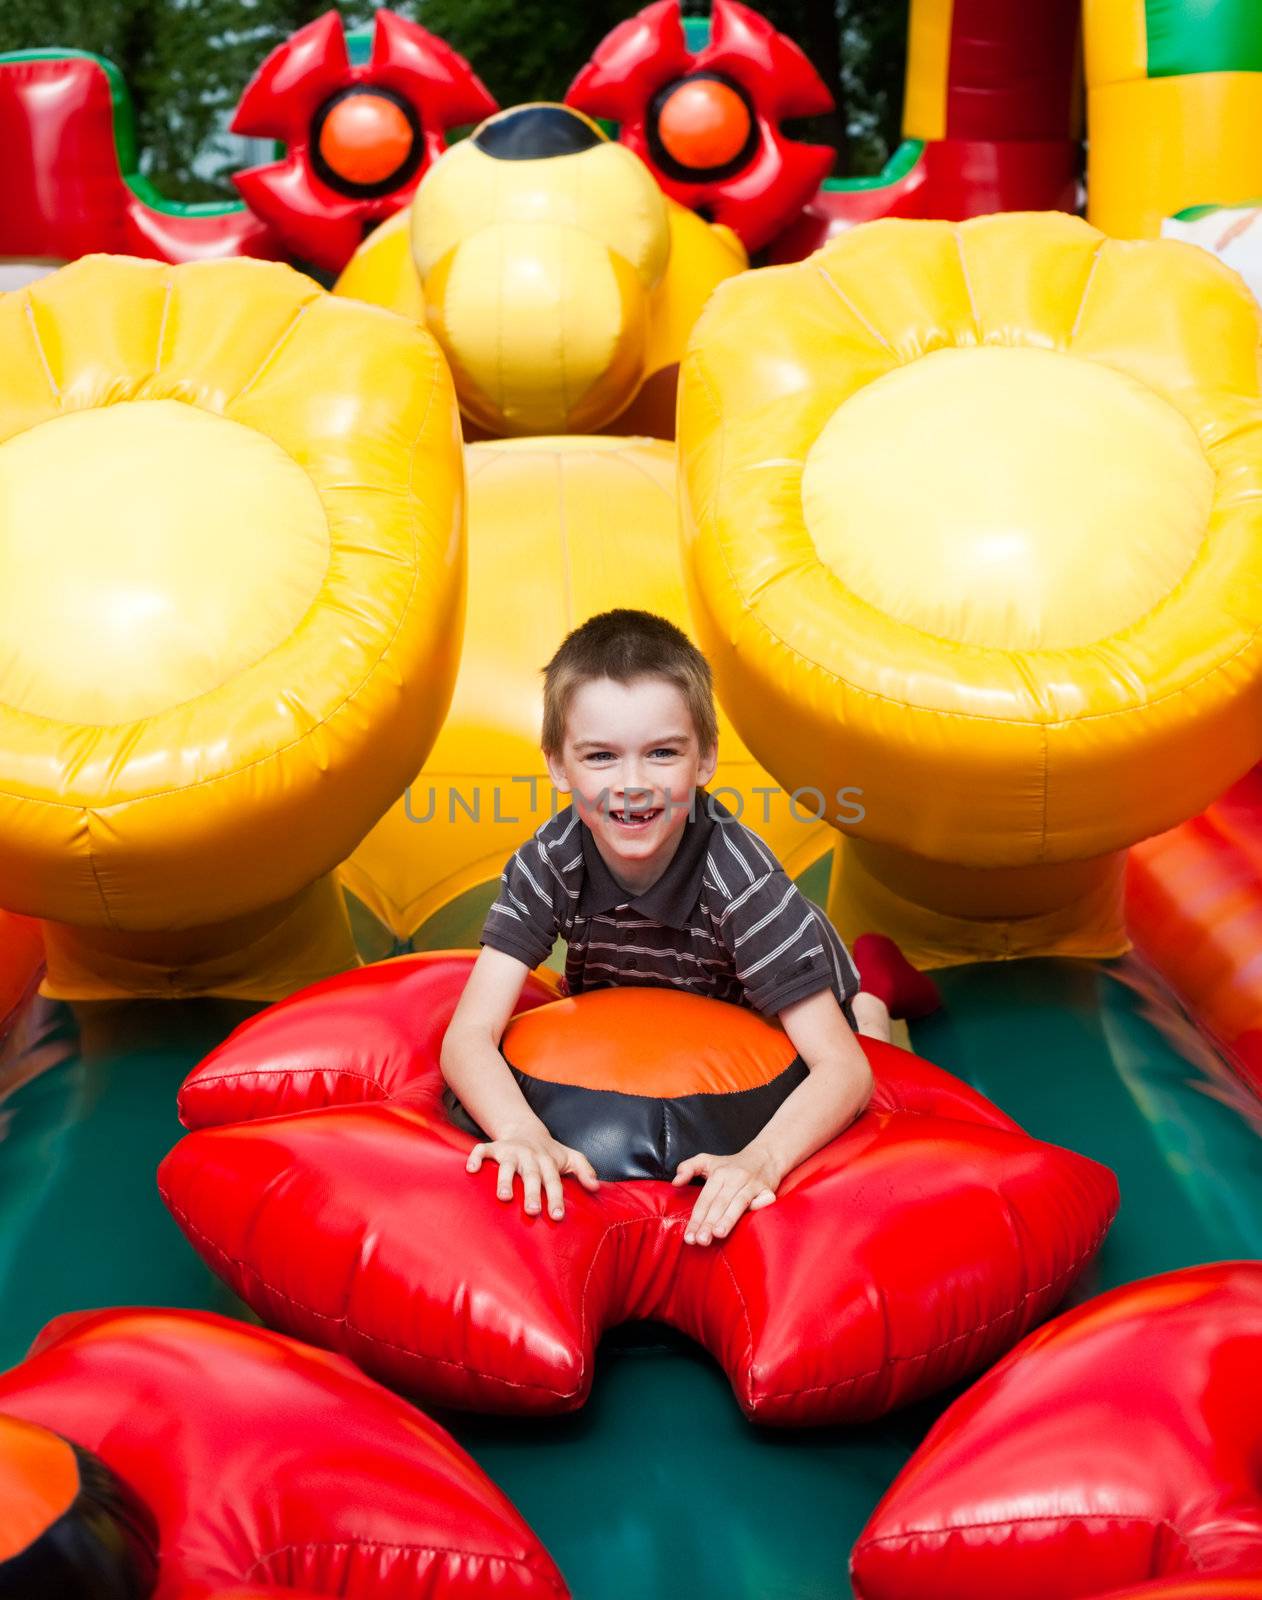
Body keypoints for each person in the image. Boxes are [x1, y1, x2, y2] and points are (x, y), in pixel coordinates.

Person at [440, 609, 939, 1247]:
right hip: (654, 1013)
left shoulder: (740, 880)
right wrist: (521, 1131)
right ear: (559, 767)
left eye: (662, 753)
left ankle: (873, 985)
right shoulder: (550, 859)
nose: (633, 786)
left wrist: (758, 1161)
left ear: (704, 759)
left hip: (779, 989)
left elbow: (844, 1072)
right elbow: (467, 1036)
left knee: (875, 1050)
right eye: (600, 756)